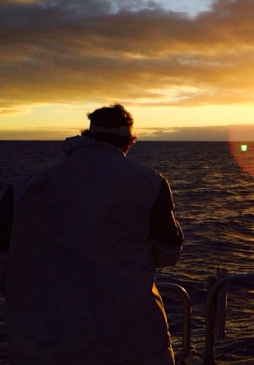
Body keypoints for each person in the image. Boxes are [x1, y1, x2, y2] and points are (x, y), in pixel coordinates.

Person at [0, 104, 184, 365]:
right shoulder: (150, 183)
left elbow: (4, 259)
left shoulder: (24, 189)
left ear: (87, 134)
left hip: (43, 344)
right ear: (128, 140)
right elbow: (169, 253)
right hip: (131, 343)